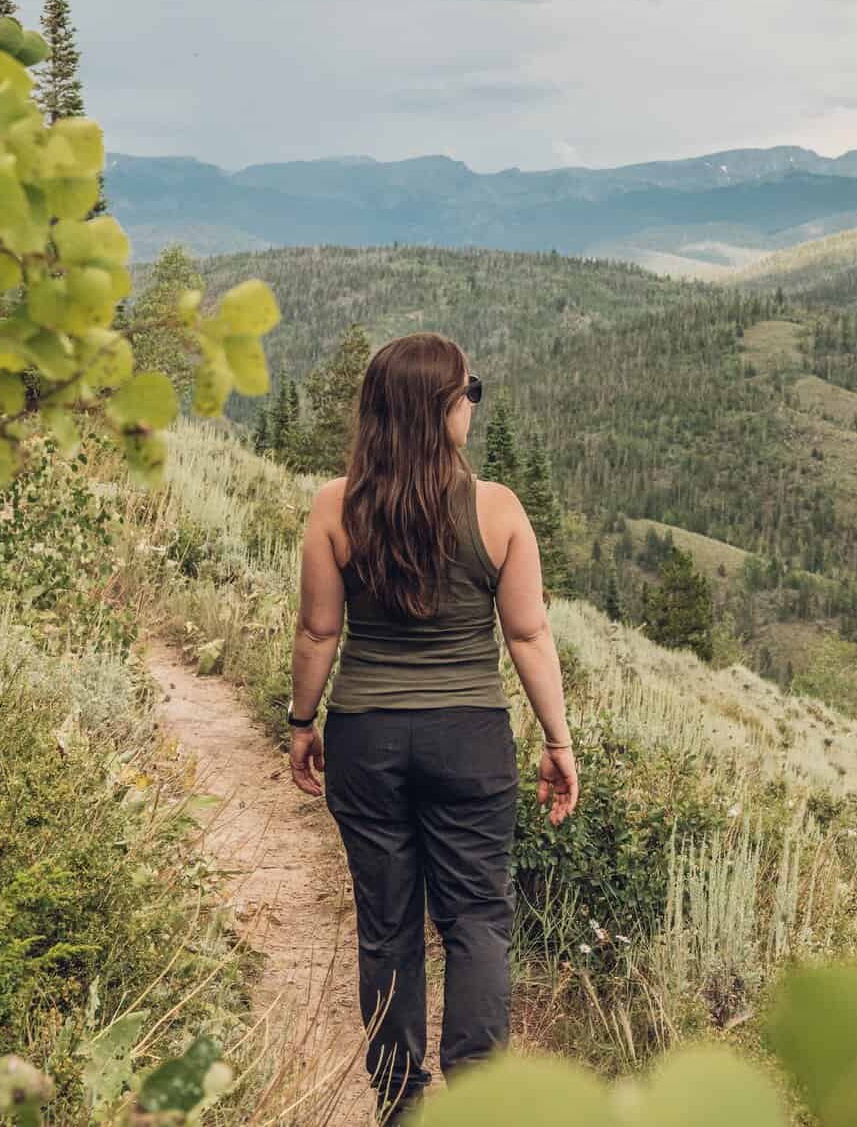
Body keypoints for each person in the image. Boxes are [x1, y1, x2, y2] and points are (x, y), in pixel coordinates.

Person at [282, 331, 580, 1126]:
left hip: (366, 736)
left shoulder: (333, 505)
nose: (473, 404)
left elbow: (318, 634)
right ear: (440, 409)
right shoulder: (497, 510)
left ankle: (399, 1104)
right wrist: (558, 741)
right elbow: (527, 636)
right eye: (467, 392)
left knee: (387, 928)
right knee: (477, 922)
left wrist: (301, 723)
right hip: (468, 739)